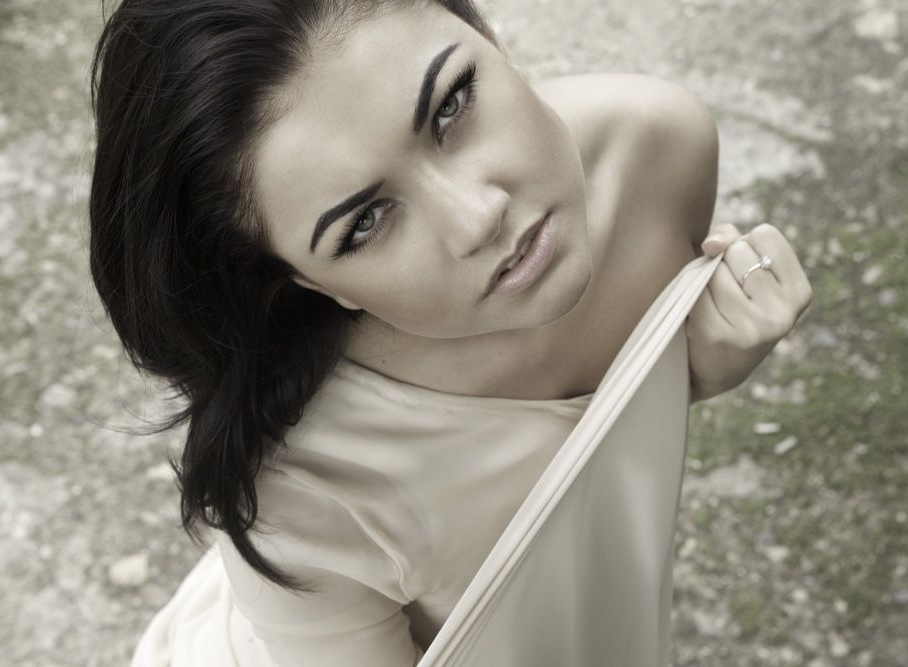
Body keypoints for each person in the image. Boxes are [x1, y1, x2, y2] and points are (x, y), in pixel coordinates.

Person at [87, 0, 812, 664]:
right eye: (365, 222)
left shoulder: (655, 146)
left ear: (486, 32)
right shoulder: (298, 491)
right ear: (305, 281)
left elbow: (590, 465)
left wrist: (700, 367)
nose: (478, 218)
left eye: (452, 104)